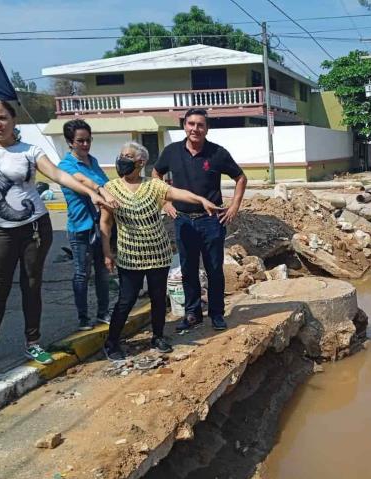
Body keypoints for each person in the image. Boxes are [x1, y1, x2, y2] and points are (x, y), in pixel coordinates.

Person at [0, 99, 116, 373]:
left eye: (2, 118)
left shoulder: (30, 151)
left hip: (34, 227)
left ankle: (33, 341)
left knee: (31, 286)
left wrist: (91, 191)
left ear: (13, 120)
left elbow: (59, 174)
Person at [100, 142, 221, 362]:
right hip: (130, 257)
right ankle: (112, 342)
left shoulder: (153, 185)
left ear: (140, 162)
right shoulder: (110, 188)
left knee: (158, 298)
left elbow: (177, 193)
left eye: (127, 156)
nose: (122, 160)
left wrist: (202, 200)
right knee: (126, 300)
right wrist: (107, 252)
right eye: (121, 155)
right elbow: (106, 223)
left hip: (158, 254)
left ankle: (157, 336)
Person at [152, 108, 247, 332]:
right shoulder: (172, 152)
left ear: (207, 129)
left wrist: (234, 206)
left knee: (214, 269)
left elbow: (240, 177)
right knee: (188, 268)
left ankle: (216, 314)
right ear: (184, 125)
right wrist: (164, 203)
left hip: (211, 221)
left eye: (200, 125)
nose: (195, 129)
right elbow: (156, 174)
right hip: (183, 220)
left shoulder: (217, 153)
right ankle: (192, 313)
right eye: (191, 124)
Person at [58, 119, 116, 331]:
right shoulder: (66, 165)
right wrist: (101, 190)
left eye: (88, 140)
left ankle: (103, 312)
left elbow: (104, 183)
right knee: (82, 273)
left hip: (102, 227)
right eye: (80, 141)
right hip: (81, 228)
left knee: (102, 270)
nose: (85, 145)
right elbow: (84, 182)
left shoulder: (93, 160)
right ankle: (83, 317)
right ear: (70, 142)